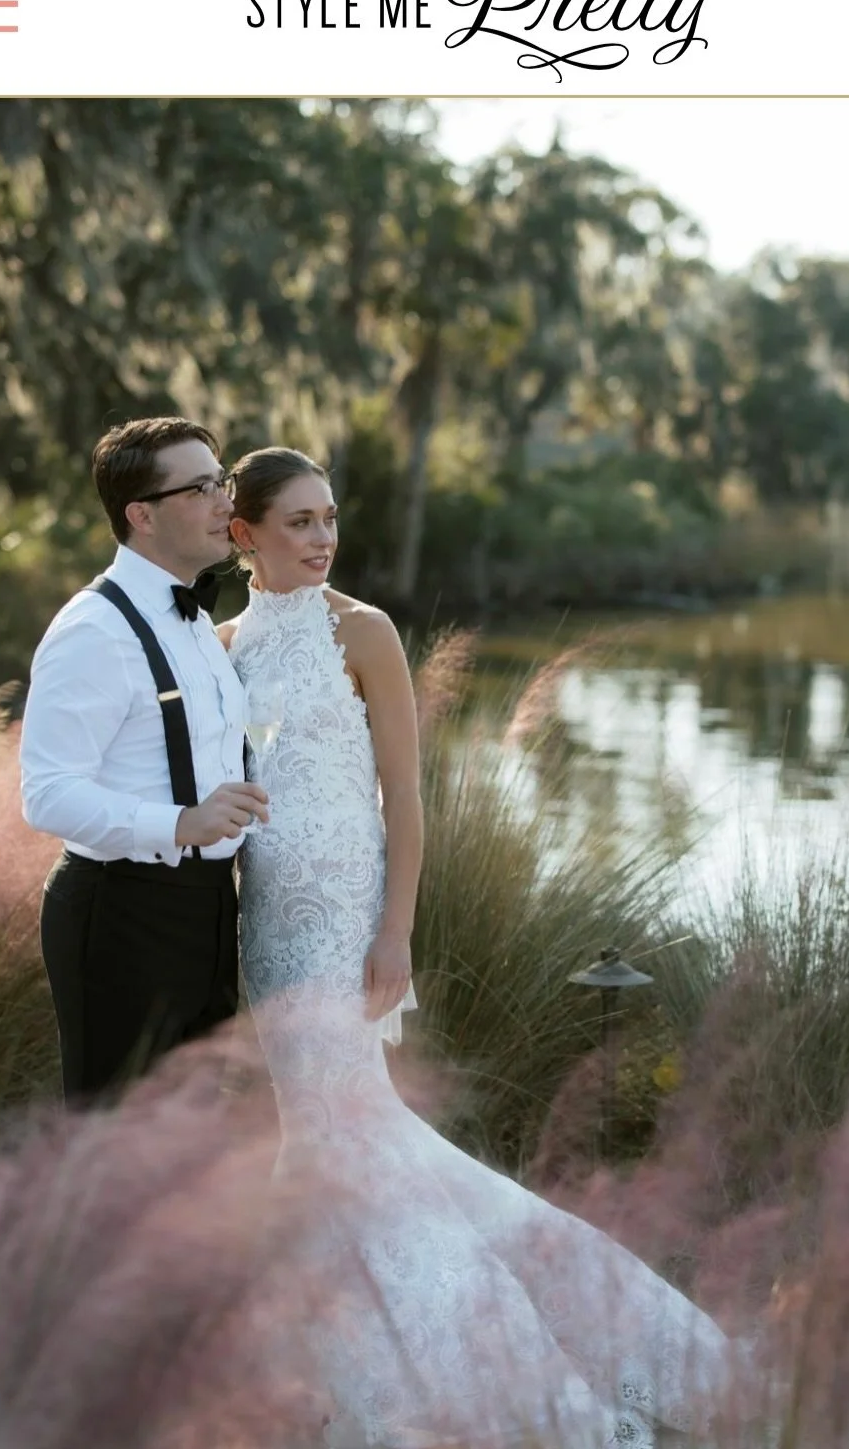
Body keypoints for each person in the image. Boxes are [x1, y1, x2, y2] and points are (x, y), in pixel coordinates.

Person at [221, 447, 734, 1449]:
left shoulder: (363, 632)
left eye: (331, 519)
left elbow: (406, 795)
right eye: (299, 522)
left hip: (346, 916)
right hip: (267, 922)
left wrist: (397, 930)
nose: (324, 539)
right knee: (328, 1135)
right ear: (242, 534)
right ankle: (325, 1358)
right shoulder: (222, 645)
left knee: (344, 1136)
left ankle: (431, 1370)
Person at [19, 417, 269, 1102]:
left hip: (207, 910)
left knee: (184, 1159)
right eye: (201, 488)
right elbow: (46, 793)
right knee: (121, 1155)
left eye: (224, 482)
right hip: (121, 916)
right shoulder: (92, 631)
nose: (226, 503)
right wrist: (180, 823)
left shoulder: (197, 626)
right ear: (142, 516)